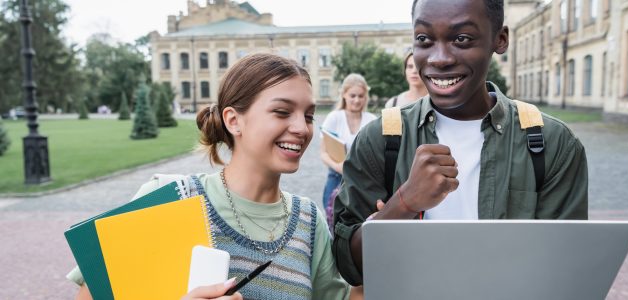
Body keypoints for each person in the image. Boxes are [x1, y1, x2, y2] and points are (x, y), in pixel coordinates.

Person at [332, 0, 589, 287]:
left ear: (499, 39)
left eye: (462, 38)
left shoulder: (552, 144)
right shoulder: (380, 139)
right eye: (424, 39)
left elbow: (566, 269)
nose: (440, 58)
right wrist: (404, 202)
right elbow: (349, 265)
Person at [68, 53, 350, 300]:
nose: (302, 128)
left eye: (310, 116)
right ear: (233, 120)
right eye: (282, 112)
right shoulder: (170, 198)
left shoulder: (309, 222)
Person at [319, 74, 377, 216]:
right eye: (352, 95)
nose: (357, 100)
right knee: (333, 220)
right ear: (344, 94)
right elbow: (323, 153)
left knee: (360, 222)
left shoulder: (372, 120)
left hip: (363, 179)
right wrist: (338, 166)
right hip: (337, 177)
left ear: (365, 97)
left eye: (361, 96)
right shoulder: (334, 117)